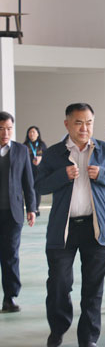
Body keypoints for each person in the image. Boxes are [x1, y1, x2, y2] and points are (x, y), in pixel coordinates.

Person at [36, 103, 105, 347]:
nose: (84, 128)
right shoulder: (54, 153)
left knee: (93, 289)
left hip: (96, 229)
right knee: (58, 284)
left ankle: (88, 338)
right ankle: (58, 328)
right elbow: (39, 185)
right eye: (78, 123)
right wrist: (62, 176)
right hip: (63, 230)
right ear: (67, 124)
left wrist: (103, 174)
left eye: (89, 123)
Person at [0, 112, 36, 313]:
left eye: (9, 129)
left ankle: (10, 297)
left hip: (13, 214)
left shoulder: (21, 151)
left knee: (10, 254)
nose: (5, 133)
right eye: (1, 128)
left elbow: (28, 182)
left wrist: (31, 208)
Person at [24, 125, 48, 216]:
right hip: (28, 171)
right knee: (29, 189)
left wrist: (40, 159)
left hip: (39, 171)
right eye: (30, 132)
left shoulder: (42, 145)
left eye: (34, 132)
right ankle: (31, 208)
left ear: (38, 134)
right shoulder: (24, 145)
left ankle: (36, 208)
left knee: (37, 190)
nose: (32, 134)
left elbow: (47, 157)